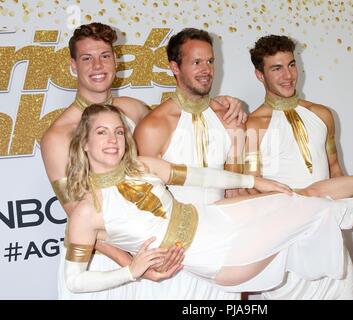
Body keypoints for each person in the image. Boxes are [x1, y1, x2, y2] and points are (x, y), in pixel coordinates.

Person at [63, 104, 353, 294]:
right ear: (85, 142)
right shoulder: (85, 212)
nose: (113, 140)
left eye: (118, 131)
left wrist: (255, 180)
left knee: (296, 196)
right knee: (310, 208)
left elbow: (201, 175)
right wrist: (130, 270)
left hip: (214, 216)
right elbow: (74, 281)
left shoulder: (142, 165)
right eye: (102, 132)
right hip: (216, 255)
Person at [41, 22, 245, 299]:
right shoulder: (59, 135)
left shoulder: (133, 109)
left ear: (116, 60)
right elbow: (78, 215)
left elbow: (179, 117)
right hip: (104, 264)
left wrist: (217, 103)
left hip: (150, 252)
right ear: (73, 66)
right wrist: (132, 266)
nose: (98, 65)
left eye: (105, 56)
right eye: (87, 58)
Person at [245, 35, 353, 299]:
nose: (288, 75)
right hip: (285, 252)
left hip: (330, 243)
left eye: (291, 64)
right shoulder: (253, 127)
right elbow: (251, 194)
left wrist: (351, 207)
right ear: (259, 75)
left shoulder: (323, 115)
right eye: (276, 68)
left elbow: (335, 170)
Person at [133, 28, 246, 299]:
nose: (206, 69)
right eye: (196, 62)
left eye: (210, 61)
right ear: (175, 67)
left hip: (223, 250)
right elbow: (138, 202)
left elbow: (236, 189)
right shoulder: (153, 126)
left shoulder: (230, 117)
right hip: (175, 258)